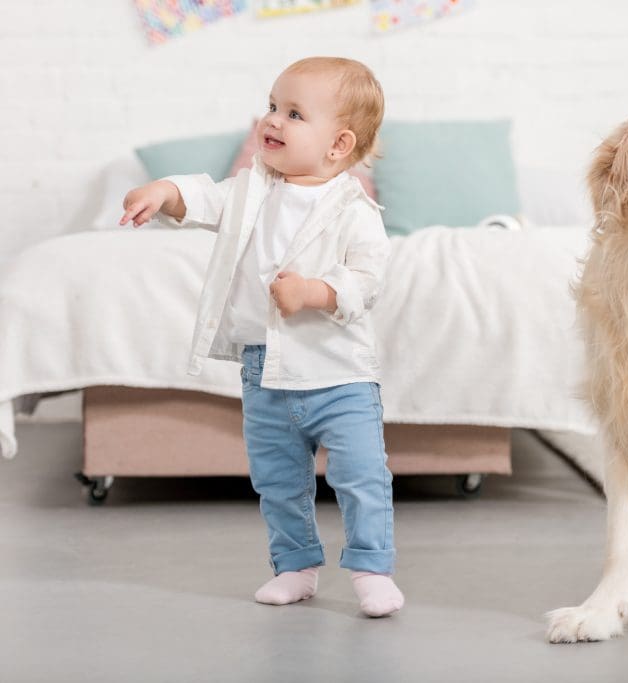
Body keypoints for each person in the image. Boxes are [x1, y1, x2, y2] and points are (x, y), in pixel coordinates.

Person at [120, 57, 402, 617]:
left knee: (362, 477)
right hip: (264, 370)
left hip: (338, 373)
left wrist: (315, 293)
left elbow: (368, 279)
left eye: (294, 113)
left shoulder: (354, 209)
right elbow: (201, 199)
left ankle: (372, 568)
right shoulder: (252, 190)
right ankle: (295, 566)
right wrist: (165, 191)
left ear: (338, 144)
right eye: (272, 105)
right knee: (277, 482)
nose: (271, 120)